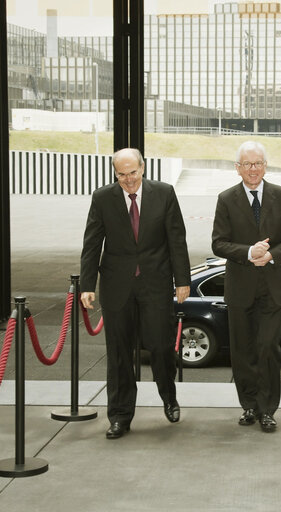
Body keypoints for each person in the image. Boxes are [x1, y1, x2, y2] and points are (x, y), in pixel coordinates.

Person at [80, 148, 191, 439]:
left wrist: (183, 281)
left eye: (133, 172)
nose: (128, 180)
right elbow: (92, 243)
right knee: (119, 354)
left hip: (155, 285)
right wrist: (87, 285)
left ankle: (169, 397)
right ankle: (119, 416)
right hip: (117, 288)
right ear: (115, 174)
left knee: (160, 346)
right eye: (121, 175)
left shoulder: (164, 193)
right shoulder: (102, 198)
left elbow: (176, 240)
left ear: (143, 168)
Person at [211, 141, 281, 433]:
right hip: (240, 288)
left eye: (258, 163)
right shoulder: (226, 199)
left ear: (265, 165)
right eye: (247, 164)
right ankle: (249, 405)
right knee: (242, 351)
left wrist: (272, 255)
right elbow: (219, 243)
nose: (253, 169)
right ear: (238, 168)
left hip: (273, 287)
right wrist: (249, 253)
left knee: (267, 348)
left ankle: (267, 409)